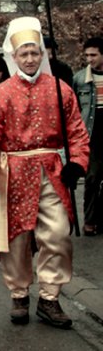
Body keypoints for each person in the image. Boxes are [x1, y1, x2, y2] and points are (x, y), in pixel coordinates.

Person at [0, 17, 89, 328]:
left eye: (35, 52)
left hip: (51, 172)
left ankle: (50, 298)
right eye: (24, 53)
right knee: (16, 238)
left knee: (57, 233)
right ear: (14, 56)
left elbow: (77, 131)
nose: (30, 59)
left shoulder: (60, 89)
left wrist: (77, 162)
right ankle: (19, 294)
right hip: (12, 172)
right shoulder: (0, 95)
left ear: (43, 54)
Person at [72, 36, 103, 236]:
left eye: (93, 55)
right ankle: (90, 221)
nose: (89, 59)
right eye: (87, 55)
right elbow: (73, 109)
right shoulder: (80, 78)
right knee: (92, 178)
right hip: (92, 134)